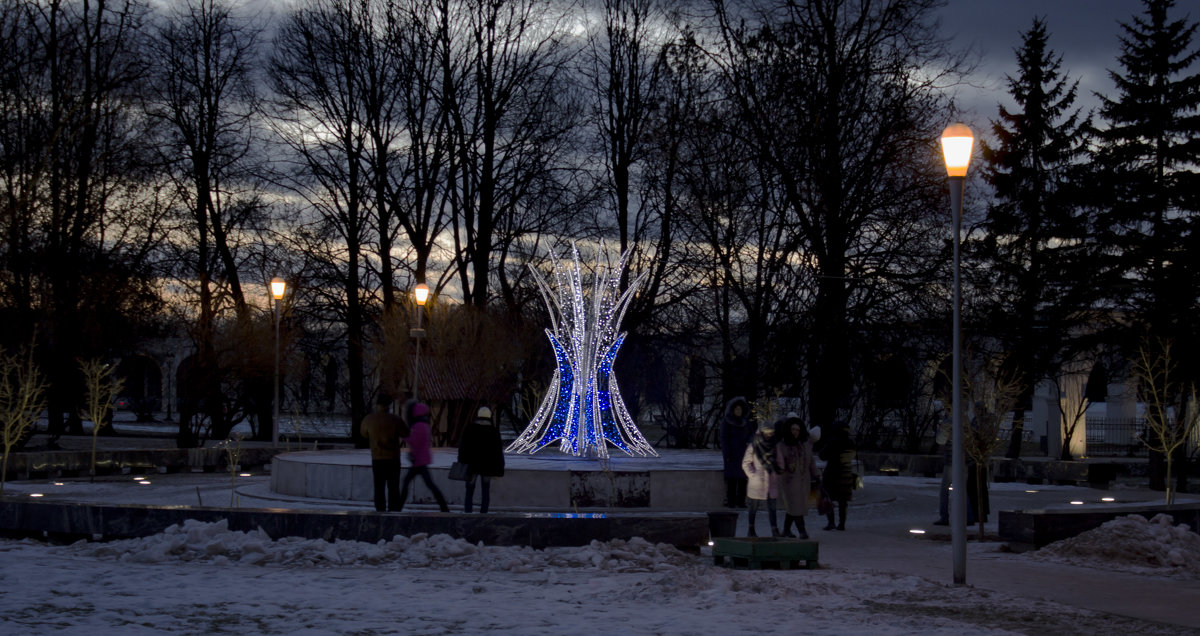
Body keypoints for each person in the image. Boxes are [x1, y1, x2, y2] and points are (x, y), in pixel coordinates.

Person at [359, 393, 410, 512]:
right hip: (393, 458)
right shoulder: (395, 419)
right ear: (389, 405)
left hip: (377, 458)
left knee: (379, 487)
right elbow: (406, 433)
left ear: (377, 405)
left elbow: (363, 434)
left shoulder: (368, 419)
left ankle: (380, 510)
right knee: (393, 487)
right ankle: (393, 511)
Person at [396, 401, 449, 512]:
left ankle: (399, 507)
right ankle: (443, 506)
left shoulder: (417, 426)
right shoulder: (425, 424)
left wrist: (404, 436)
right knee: (429, 484)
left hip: (418, 461)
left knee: (407, 483)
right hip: (421, 459)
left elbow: (414, 441)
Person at [776, 413, 821, 539]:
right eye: (793, 429)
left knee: (795, 506)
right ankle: (802, 530)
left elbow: (811, 461)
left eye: (797, 430)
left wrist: (816, 475)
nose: (795, 432)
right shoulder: (782, 446)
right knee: (795, 505)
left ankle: (786, 530)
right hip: (789, 482)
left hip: (803, 481)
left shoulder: (804, 445)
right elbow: (778, 463)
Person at [458, 405, 505, 513]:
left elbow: (463, 448)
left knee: (469, 491)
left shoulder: (470, 429)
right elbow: (498, 452)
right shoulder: (493, 432)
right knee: (485, 491)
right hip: (487, 467)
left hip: (471, 466)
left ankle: (468, 513)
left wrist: (461, 461)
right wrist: (500, 468)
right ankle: (483, 513)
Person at [741, 420, 780, 537]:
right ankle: (751, 529)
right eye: (767, 432)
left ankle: (774, 529)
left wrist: (777, 470)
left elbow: (780, 461)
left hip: (771, 481)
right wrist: (753, 475)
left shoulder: (774, 445)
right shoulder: (754, 445)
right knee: (753, 507)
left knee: (772, 507)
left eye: (771, 433)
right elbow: (746, 463)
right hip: (757, 482)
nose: (769, 435)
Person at [819, 420, 857, 531]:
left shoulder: (833, 442)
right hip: (846, 475)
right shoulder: (851, 443)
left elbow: (822, 455)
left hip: (832, 475)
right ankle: (842, 524)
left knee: (827, 498)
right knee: (843, 501)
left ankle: (831, 522)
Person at [719, 397, 753, 508]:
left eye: (740, 409)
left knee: (743, 479)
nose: (739, 411)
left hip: (744, 455)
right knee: (732, 480)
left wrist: (749, 442)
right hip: (732, 455)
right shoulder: (727, 422)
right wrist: (727, 455)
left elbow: (751, 435)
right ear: (732, 410)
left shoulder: (746, 422)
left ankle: (741, 501)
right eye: (736, 409)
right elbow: (724, 439)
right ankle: (731, 501)